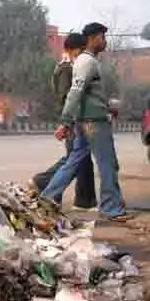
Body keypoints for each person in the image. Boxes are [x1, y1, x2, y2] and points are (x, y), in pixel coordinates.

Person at [41, 22, 132, 222]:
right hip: (94, 123)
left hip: (87, 120)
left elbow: (88, 95)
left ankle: (46, 200)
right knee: (108, 164)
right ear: (92, 39)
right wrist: (65, 121)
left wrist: (107, 106)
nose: (105, 41)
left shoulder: (86, 61)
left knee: (73, 163)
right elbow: (75, 92)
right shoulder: (86, 62)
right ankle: (112, 208)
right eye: (102, 37)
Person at [33, 33, 97, 210]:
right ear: (73, 49)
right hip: (74, 119)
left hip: (75, 118)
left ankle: (85, 200)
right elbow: (66, 97)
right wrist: (68, 122)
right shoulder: (67, 69)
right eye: (82, 49)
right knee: (74, 159)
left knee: (79, 159)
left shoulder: (71, 67)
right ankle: (44, 184)